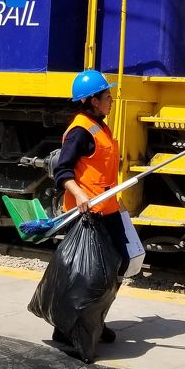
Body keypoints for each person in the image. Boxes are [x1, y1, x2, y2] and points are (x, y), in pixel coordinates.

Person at [52, 69, 129, 347]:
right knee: (88, 274)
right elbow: (62, 172)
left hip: (108, 210)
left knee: (117, 266)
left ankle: (94, 320)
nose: (111, 99)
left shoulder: (100, 126)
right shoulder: (79, 131)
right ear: (93, 101)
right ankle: (70, 329)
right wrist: (80, 195)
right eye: (107, 95)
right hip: (87, 215)